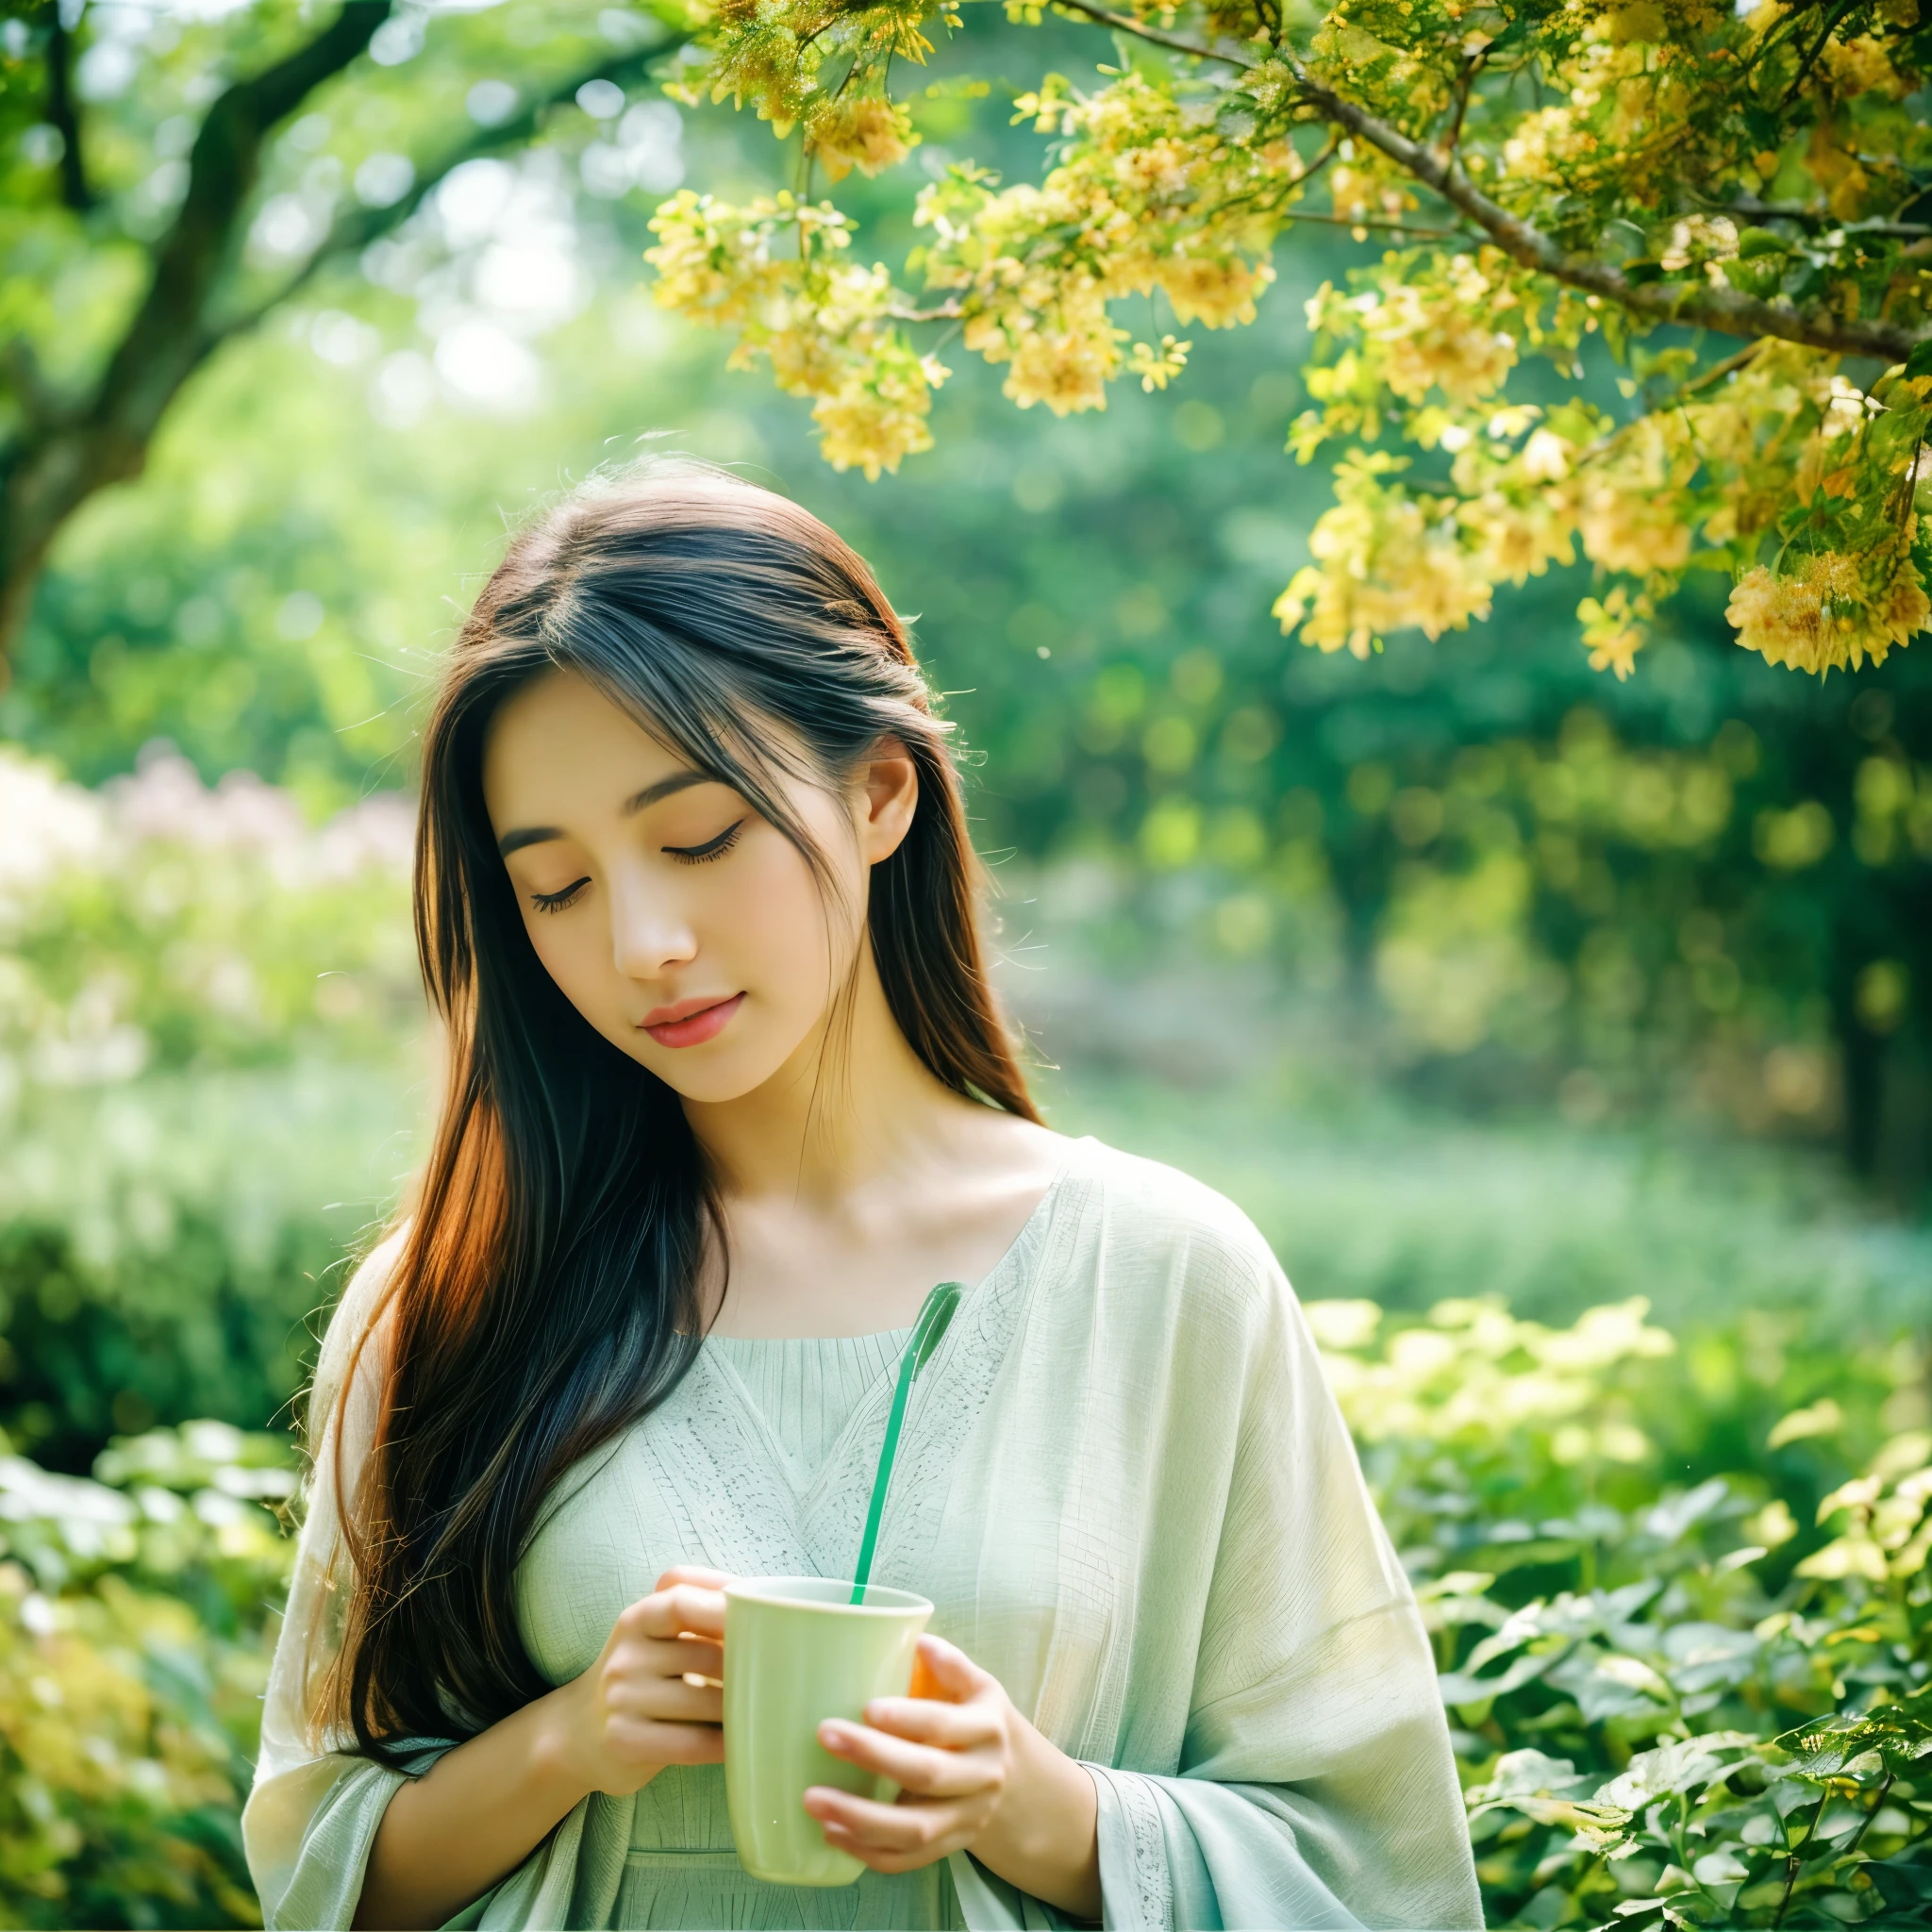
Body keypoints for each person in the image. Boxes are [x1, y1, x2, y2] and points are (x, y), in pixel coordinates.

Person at [240, 458, 1483, 1932]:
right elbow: (323, 1868)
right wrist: (563, 1745)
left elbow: (1377, 1864)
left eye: (699, 838)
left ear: (881, 792)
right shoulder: (454, 1296)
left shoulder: (1162, 1277)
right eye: (555, 887)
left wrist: (1045, 1811)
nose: (642, 942)